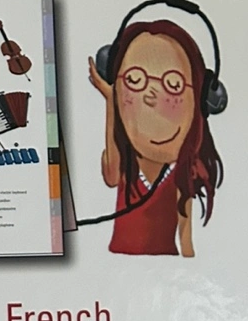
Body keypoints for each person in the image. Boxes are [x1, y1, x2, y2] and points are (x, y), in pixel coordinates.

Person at [87, 18, 222, 256]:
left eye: (173, 84)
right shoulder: (128, 161)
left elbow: (185, 231)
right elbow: (111, 177)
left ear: (201, 100)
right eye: (134, 80)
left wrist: (190, 261)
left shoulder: (183, 169)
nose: (150, 96)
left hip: (164, 266)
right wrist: (110, 101)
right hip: (118, 262)